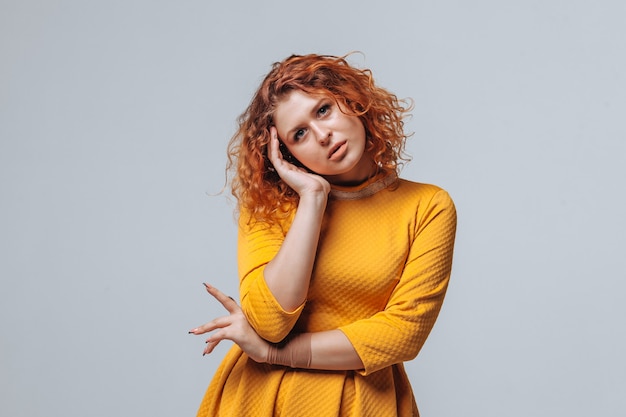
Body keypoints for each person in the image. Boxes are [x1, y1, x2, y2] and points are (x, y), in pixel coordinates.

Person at [189, 53, 457, 417]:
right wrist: (313, 199)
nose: (322, 135)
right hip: (260, 398)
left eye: (323, 110)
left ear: (352, 100)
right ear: (285, 153)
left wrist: (273, 354)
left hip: (363, 402)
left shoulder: (427, 206)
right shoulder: (269, 206)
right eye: (299, 134)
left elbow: (403, 334)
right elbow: (270, 321)